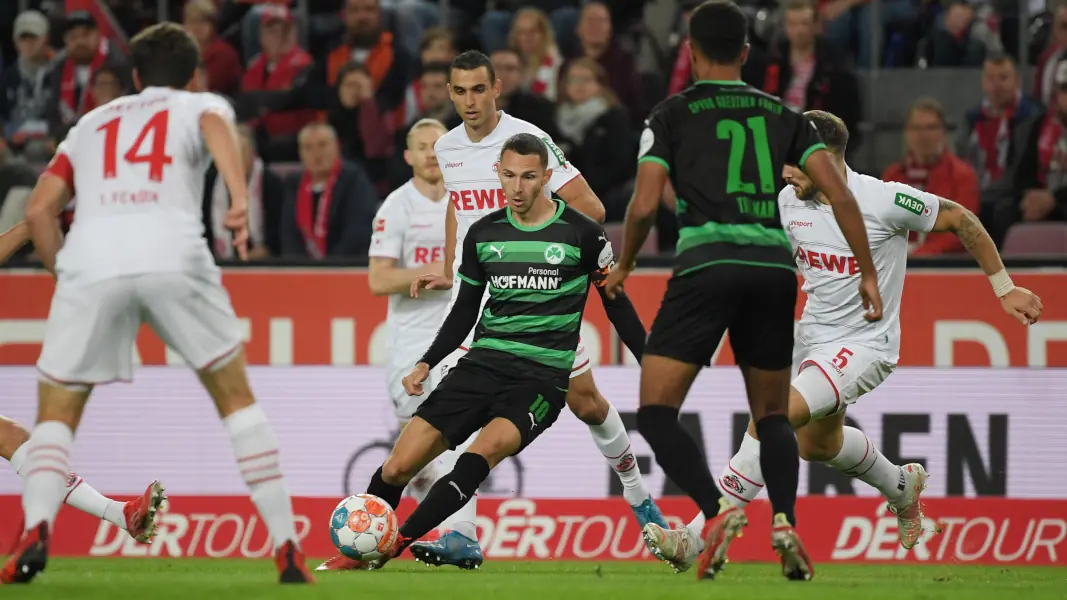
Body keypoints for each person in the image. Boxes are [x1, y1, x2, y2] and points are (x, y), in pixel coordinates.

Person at [647, 109, 1044, 572]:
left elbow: (961, 220)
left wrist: (1004, 288)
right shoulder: (788, 201)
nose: (786, 171)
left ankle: (696, 536)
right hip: (812, 340)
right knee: (818, 445)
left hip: (865, 345)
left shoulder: (884, 200)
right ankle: (901, 486)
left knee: (773, 415)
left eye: (795, 161)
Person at [320, 50, 666, 571]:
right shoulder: (448, 148)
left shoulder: (528, 140)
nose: (469, 102)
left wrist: (537, 249)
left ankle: (639, 498)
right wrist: (455, 259)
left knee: (589, 404)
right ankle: (460, 533)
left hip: (537, 292)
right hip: (480, 297)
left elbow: (592, 210)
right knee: (447, 421)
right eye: (459, 92)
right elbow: (461, 212)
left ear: (496, 88)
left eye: (478, 90)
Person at [1, 23, 312, 586]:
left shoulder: (90, 124)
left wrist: (64, 273)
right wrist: (239, 199)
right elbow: (219, 128)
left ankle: (36, 529)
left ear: (135, 78)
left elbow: (42, 211)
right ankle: (287, 546)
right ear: (193, 75)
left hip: (92, 263)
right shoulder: (199, 105)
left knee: (55, 418)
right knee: (237, 401)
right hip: (175, 256)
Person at [603, 0, 882, 582]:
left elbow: (646, 201)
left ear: (691, 51)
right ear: (747, 53)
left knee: (655, 412)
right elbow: (842, 194)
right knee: (774, 415)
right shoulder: (784, 116)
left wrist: (626, 264)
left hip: (706, 264)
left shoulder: (672, 113)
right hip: (773, 272)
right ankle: (784, 521)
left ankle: (714, 515)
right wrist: (869, 272)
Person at [342, 132, 625, 571]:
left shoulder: (578, 233)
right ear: (498, 174)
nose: (517, 185)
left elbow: (614, 297)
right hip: (476, 361)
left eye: (528, 176)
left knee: (478, 456)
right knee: (398, 467)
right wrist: (426, 361)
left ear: (546, 177)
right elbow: (460, 311)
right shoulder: (478, 229)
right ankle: (367, 546)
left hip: (539, 379)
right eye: (509, 175)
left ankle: (402, 544)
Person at [317, 118, 477, 571]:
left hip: (460, 334)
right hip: (411, 343)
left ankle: (461, 536)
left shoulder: (466, 201)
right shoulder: (396, 206)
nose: (430, 153)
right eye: (421, 146)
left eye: (437, 146)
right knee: (419, 459)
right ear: (407, 155)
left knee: (452, 440)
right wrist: (439, 272)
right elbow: (377, 278)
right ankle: (391, 538)